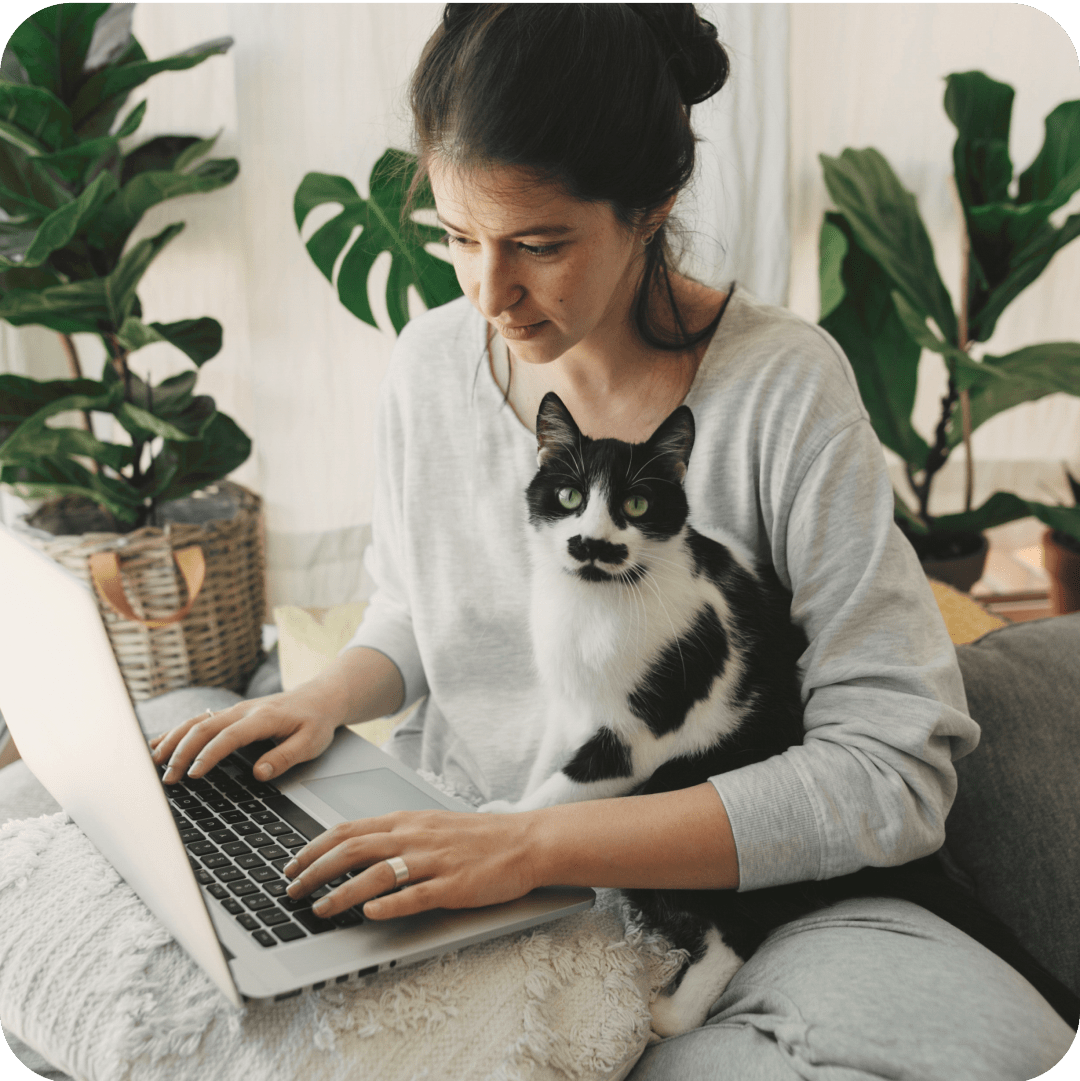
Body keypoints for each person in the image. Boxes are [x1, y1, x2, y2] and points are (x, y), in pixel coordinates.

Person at [150, 5, 1074, 1077]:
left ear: (653, 207)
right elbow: (414, 611)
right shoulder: (428, 366)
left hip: (705, 896)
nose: (490, 294)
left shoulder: (782, 388)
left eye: (539, 246)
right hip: (459, 854)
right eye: (457, 237)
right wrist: (315, 701)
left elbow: (890, 772)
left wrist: (533, 844)